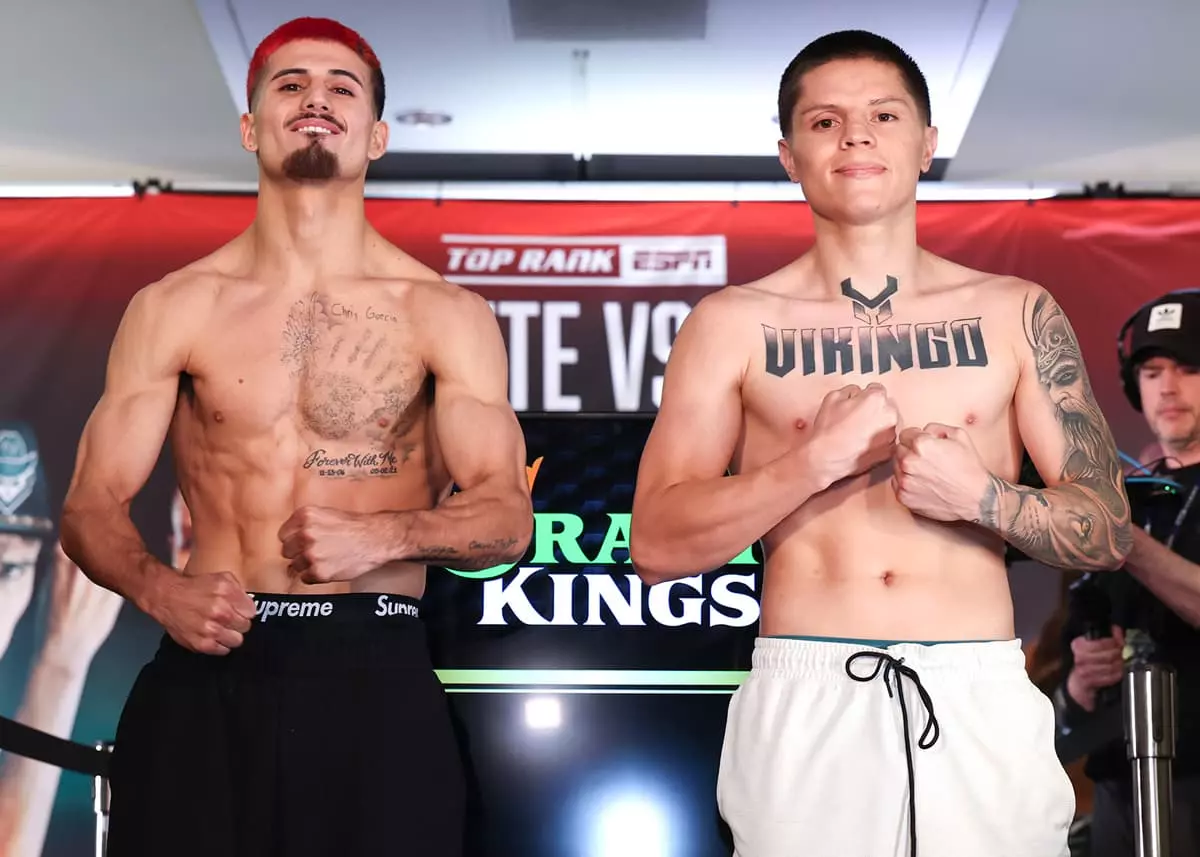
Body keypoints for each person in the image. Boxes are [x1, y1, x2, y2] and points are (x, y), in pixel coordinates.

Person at [629, 29, 1133, 857]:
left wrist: (983, 498)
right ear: (789, 155)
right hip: (807, 689)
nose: (856, 135)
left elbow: (1108, 527)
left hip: (976, 690)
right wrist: (812, 462)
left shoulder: (1014, 311)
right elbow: (656, 543)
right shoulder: (731, 325)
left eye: (883, 114)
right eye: (824, 121)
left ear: (927, 142)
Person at [59, 16, 533, 857]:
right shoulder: (174, 307)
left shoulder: (446, 315)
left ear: (377, 135)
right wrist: (158, 589)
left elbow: (506, 516)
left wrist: (382, 535)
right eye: (291, 84)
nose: (316, 98)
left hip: (374, 666)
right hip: (210, 664)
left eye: (341, 87)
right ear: (250, 126)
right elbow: (91, 504)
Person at [1056, 289, 1200, 856]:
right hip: (1120, 786)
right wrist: (1080, 682)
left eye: (1190, 368)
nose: (1167, 387)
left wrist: (1123, 540)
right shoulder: (1122, 500)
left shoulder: (1113, 519)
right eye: (1152, 371)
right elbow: (1067, 653)